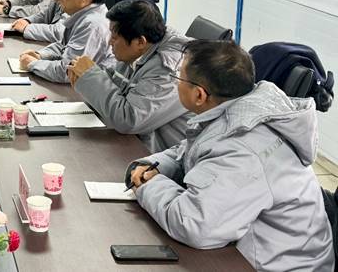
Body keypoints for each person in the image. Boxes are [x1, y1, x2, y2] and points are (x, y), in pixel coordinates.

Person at [127, 40, 334, 271]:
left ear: (199, 95)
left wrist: (150, 183)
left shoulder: (242, 148)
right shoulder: (240, 112)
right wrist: (153, 166)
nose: (176, 83)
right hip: (262, 254)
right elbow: (189, 151)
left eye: (179, 78)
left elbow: (193, 225)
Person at [67, 0, 191, 152]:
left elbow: (129, 119)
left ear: (140, 42)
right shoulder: (139, 50)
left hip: (165, 156)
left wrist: (90, 77)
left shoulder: (168, 70)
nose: (109, 42)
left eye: (114, 37)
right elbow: (115, 83)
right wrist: (85, 77)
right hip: (137, 144)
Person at [19, 0, 114, 83]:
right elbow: (64, 46)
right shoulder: (82, 15)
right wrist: (40, 55)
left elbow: (67, 72)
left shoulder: (92, 24)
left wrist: (33, 64)